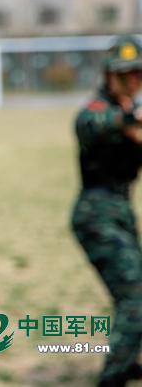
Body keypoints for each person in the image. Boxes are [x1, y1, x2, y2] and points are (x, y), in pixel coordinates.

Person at [72, 35, 142, 387]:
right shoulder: (101, 110)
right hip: (95, 214)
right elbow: (86, 124)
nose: (131, 80)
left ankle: (126, 359)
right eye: (123, 73)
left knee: (132, 295)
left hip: (121, 212)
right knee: (136, 296)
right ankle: (113, 378)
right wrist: (129, 116)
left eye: (137, 73)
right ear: (108, 75)